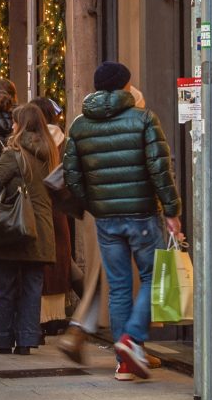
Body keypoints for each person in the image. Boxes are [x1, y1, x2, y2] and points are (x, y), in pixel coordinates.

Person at [64, 62, 181, 380]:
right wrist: (172, 211)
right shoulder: (144, 119)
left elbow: (72, 179)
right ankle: (131, 339)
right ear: (125, 86)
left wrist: (96, 205)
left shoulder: (79, 125)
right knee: (155, 278)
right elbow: (160, 169)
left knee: (118, 287)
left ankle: (124, 360)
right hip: (143, 214)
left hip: (106, 220)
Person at [0, 99, 60, 355]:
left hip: (14, 228)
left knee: (4, 285)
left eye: (15, 121)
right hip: (41, 229)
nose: (12, 125)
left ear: (21, 125)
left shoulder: (13, 153)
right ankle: (27, 339)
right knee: (32, 286)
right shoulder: (50, 153)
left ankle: (1, 339)